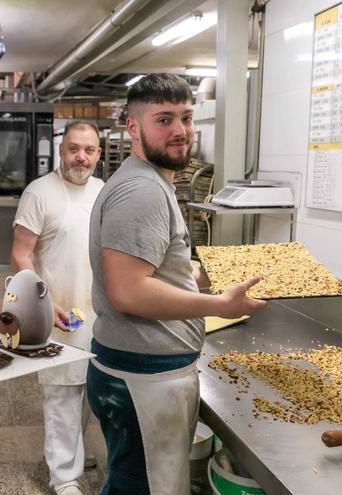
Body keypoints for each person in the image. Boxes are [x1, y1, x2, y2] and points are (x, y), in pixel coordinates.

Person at [86, 73, 267, 495]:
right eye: (163, 120)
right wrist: (218, 305)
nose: (180, 131)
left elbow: (150, 269)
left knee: (133, 484)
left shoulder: (150, 181)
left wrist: (195, 276)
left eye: (186, 118)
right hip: (144, 379)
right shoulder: (142, 191)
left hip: (140, 371)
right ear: (133, 127)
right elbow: (128, 291)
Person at [11, 121, 104, 495]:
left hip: (99, 313)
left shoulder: (102, 191)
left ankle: (71, 455)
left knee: (89, 390)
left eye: (89, 150)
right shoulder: (40, 193)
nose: (81, 157)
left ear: (98, 154)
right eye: (74, 149)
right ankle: (64, 478)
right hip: (58, 312)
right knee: (63, 395)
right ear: (61, 150)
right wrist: (47, 299)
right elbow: (20, 255)